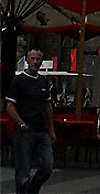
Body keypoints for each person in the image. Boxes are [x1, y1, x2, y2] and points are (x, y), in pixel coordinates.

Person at [6, 48, 56, 194]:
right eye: (32, 59)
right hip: (24, 131)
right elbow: (9, 106)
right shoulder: (19, 80)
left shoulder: (43, 81)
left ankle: (31, 191)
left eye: (38, 59)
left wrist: (51, 129)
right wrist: (21, 123)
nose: (35, 62)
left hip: (42, 130)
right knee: (23, 172)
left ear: (41, 61)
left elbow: (48, 107)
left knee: (47, 167)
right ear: (27, 60)